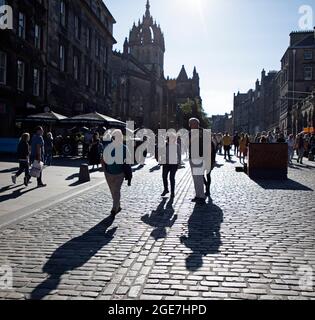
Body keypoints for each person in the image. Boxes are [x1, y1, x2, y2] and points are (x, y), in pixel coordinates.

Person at [102, 129, 131, 216]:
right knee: (113, 191)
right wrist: (105, 171)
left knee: (116, 190)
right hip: (109, 173)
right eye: (115, 137)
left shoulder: (124, 148)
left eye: (119, 137)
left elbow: (129, 160)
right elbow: (103, 160)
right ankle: (118, 205)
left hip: (120, 173)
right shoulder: (108, 147)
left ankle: (114, 208)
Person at [189, 118, 206, 205]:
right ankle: (197, 195)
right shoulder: (189, 133)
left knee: (199, 177)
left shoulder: (202, 132)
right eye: (191, 124)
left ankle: (202, 196)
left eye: (193, 124)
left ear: (197, 124)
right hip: (192, 157)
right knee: (195, 177)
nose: (191, 125)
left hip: (199, 157)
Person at [161, 133, 181, 198]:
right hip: (166, 163)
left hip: (174, 164)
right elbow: (162, 153)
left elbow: (179, 155)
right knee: (164, 176)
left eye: (173, 138)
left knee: (171, 178)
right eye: (170, 137)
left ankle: (172, 192)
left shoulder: (177, 145)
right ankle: (166, 189)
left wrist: (179, 163)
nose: (171, 139)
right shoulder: (165, 145)